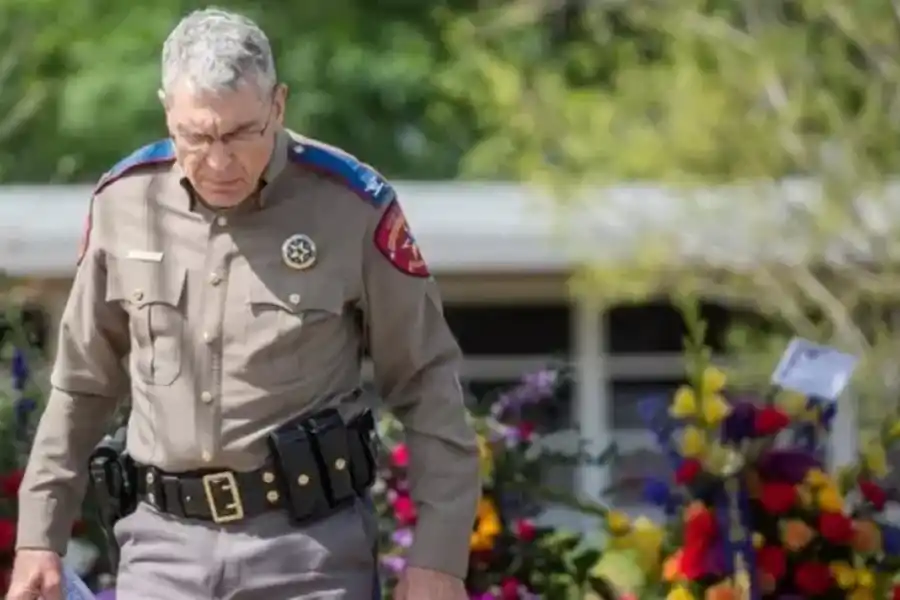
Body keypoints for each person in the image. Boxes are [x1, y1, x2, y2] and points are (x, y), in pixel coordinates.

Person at [9, 7, 479, 600]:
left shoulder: (351, 208)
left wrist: (439, 560)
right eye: (197, 137)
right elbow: (83, 385)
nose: (219, 161)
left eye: (240, 134)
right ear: (167, 112)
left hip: (309, 555)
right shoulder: (122, 204)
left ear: (278, 106)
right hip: (161, 552)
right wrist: (39, 539)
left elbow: (426, 382)